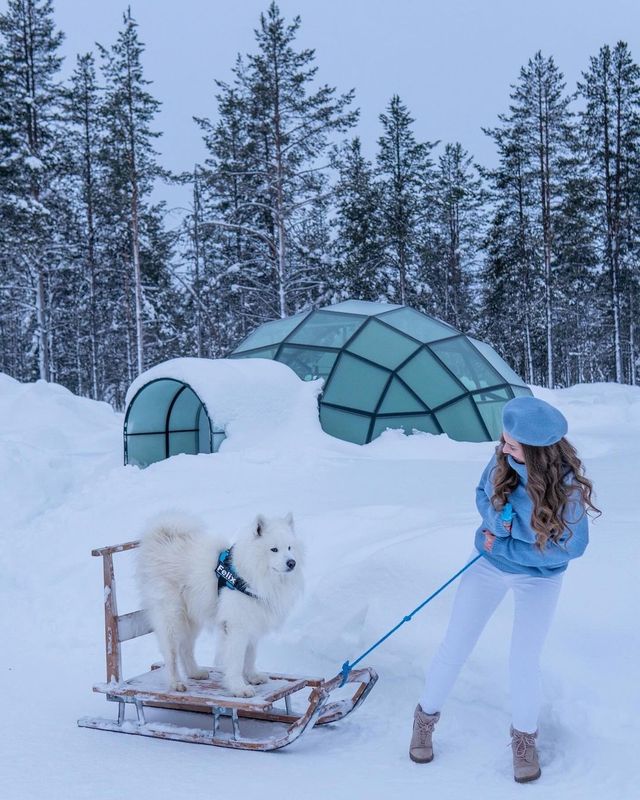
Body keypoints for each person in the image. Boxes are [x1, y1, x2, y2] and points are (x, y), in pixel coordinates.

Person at [409, 396, 600, 783]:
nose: (503, 449)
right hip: (489, 567)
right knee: (456, 644)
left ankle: (524, 740)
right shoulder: (502, 461)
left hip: (539, 578)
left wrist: (511, 542)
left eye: (512, 445)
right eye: (503, 441)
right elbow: (482, 495)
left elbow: (572, 547)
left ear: (538, 452)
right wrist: (496, 519)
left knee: (523, 660)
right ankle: (424, 720)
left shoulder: (568, 488)